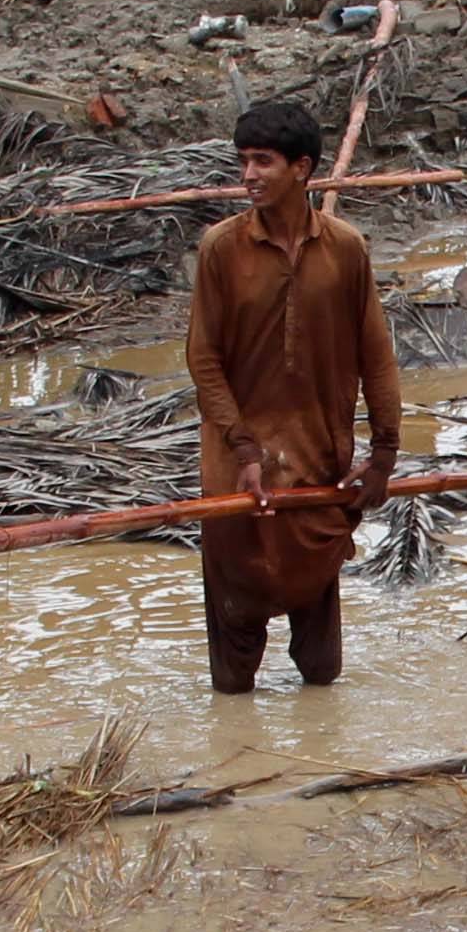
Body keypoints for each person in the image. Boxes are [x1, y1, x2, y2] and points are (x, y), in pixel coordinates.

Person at [182, 99, 402, 692]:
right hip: (236, 469)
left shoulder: (345, 250)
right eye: (243, 161)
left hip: (316, 466)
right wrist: (244, 449)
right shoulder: (221, 251)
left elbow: (375, 355)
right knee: (233, 659)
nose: (248, 175)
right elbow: (203, 360)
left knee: (321, 664)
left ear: (301, 169)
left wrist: (384, 454)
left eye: (263, 162)